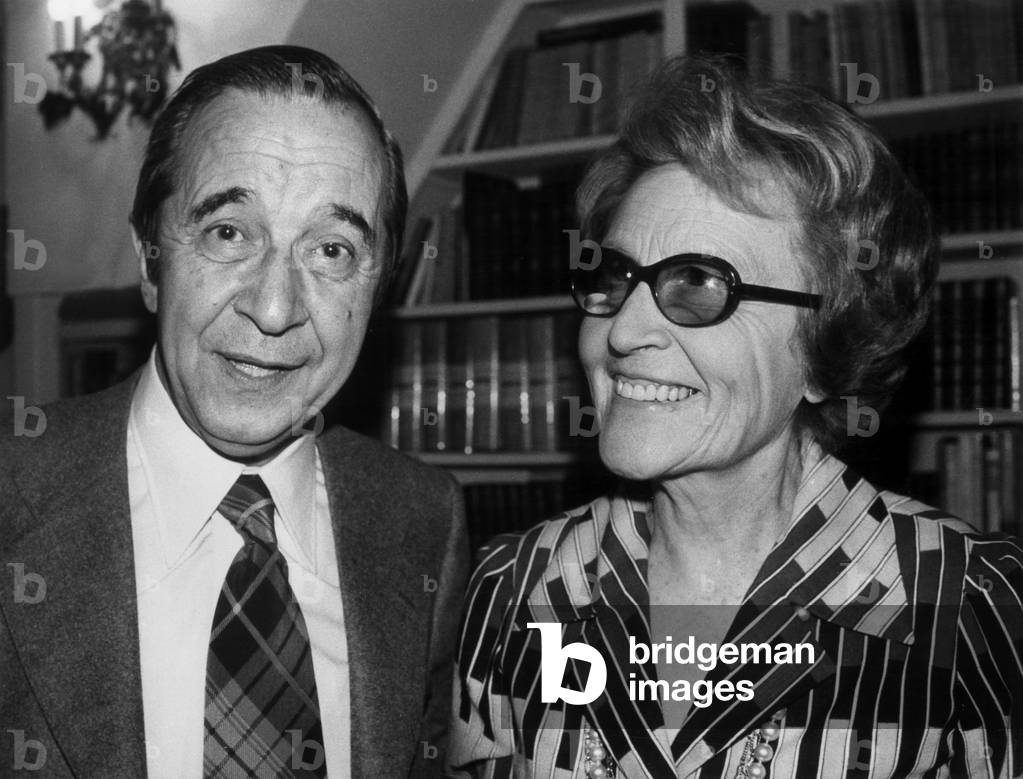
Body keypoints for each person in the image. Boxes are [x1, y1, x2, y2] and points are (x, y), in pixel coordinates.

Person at [449, 55, 1022, 778]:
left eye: (698, 284)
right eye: (615, 278)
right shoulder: (512, 588)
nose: (623, 332)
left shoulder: (969, 604)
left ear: (825, 350)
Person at [0, 46, 467, 778]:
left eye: (332, 250)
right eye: (228, 232)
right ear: (151, 259)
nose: (275, 308)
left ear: (378, 290)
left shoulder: (422, 520)